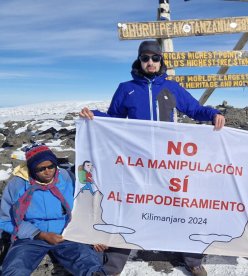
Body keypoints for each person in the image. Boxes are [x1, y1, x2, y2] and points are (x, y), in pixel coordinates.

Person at [80, 40, 225, 276]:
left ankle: (192, 259)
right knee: (129, 207)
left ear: (161, 61)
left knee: (180, 205)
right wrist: (93, 115)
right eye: (145, 58)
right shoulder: (126, 88)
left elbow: (195, 109)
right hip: (138, 162)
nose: (150, 62)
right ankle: (113, 266)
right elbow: (113, 119)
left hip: (170, 161)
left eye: (155, 58)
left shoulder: (172, 87)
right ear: (139, 60)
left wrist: (214, 114)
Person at [0, 143, 104, 275]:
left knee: (89, 265)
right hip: (30, 238)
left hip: (67, 234)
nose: (47, 171)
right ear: (32, 168)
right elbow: (5, 220)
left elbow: (85, 208)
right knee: (15, 269)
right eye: (41, 169)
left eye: (51, 166)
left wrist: (93, 234)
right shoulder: (18, 184)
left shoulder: (67, 178)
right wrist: (40, 234)